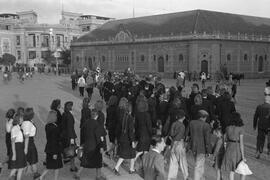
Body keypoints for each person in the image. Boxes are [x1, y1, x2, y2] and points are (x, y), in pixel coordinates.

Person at [74, 109, 106, 180]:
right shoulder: (97, 124)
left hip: (87, 144)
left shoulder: (86, 123)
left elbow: (82, 133)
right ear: (97, 116)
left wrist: (82, 144)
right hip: (95, 146)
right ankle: (98, 176)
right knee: (98, 161)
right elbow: (99, 138)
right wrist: (101, 147)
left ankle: (78, 174)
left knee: (85, 161)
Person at [114, 99, 136, 175]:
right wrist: (133, 141)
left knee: (126, 154)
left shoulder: (123, 117)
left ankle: (131, 168)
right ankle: (119, 167)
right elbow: (131, 131)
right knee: (129, 154)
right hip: (128, 140)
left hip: (122, 137)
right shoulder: (130, 118)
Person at [222, 112, 246, 180]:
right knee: (242, 170)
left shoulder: (227, 128)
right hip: (237, 148)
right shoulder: (240, 129)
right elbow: (241, 143)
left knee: (231, 170)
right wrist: (243, 156)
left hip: (229, 148)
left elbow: (225, 139)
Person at [40, 111, 63, 180]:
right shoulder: (54, 128)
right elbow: (54, 141)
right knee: (53, 166)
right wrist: (55, 153)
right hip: (54, 149)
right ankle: (41, 177)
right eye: (56, 116)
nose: (57, 117)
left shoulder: (48, 125)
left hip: (49, 148)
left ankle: (42, 177)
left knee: (52, 165)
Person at [189, 110, 212, 180]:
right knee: (199, 165)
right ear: (204, 117)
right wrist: (209, 151)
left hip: (193, 146)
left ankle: (201, 178)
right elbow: (207, 140)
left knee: (199, 165)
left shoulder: (192, 122)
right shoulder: (206, 125)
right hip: (202, 148)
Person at [167, 109, 189, 180]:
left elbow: (171, 134)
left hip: (173, 143)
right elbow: (179, 136)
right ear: (183, 117)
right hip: (179, 143)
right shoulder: (182, 126)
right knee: (183, 162)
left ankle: (171, 177)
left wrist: (173, 142)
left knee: (173, 162)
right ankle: (186, 177)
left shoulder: (173, 123)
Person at [21, 108, 40, 179]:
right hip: (29, 143)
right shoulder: (27, 123)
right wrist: (25, 148)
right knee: (33, 159)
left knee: (31, 158)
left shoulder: (27, 121)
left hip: (29, 141)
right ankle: (36, 174)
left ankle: (33, 172)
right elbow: (26, 136)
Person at [8, 114, 27, 180]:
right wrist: (14, 154)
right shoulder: (15, 128)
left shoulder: (18, 127)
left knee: (20, 167)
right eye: (21, 119)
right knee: (17, 167)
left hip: (20, 148)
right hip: (17, 148)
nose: (22, 120)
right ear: (18, 119)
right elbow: (13, 142)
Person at [134, 99, 152, 165]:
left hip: (140, 133)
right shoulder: (147, 115)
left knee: (141, 150)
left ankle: (143, 164)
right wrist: (151, 134)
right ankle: (133, 164)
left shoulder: (137, 114)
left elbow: (135, 125)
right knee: (143, 151)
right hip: (146, 134)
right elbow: (149, 125)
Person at [253, 87, 270, 159]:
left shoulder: (259, 107)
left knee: (260, 139)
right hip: (269, 126)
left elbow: (255, 117)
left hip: (261, 126)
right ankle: (269, 150)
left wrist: (254, 125)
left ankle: (259, 151)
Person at [61, 101, 77, 171]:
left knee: (66, 150)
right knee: (72, 152)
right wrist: (72, 139)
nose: (71, 107)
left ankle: (65, 159)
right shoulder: (69, 116)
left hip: (64, 135)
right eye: (71, 106)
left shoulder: (64, 114)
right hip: (69, 136)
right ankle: (73, 167)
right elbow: (70, 128)